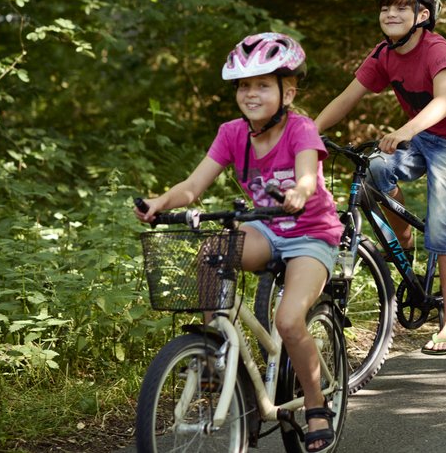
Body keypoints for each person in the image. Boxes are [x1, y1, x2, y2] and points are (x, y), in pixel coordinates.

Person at [135, 32, 341, 452]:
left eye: (263, 85)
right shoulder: (232, 133)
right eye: (244, 86)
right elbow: (193, 186)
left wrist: (300, 193)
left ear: (288, 91)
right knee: (212, 252)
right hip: (265, 229)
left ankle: (317, 404)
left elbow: (305, 175)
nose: (251, 94)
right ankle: (215, 352)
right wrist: (159, 202)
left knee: (287, 321)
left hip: (310, 233)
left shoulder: (300, 128)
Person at [314, 0, 446, 357]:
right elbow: (348, 97)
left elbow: (443, 102)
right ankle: (403, 244)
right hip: (421, 138)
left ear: (422, 15)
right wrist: (308, 132)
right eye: (386, 6)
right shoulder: (383, 53)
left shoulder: (436, 49)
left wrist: (405, 130)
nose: (391, 13)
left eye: (402, 7)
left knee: (441, 223)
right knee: (375, 170)